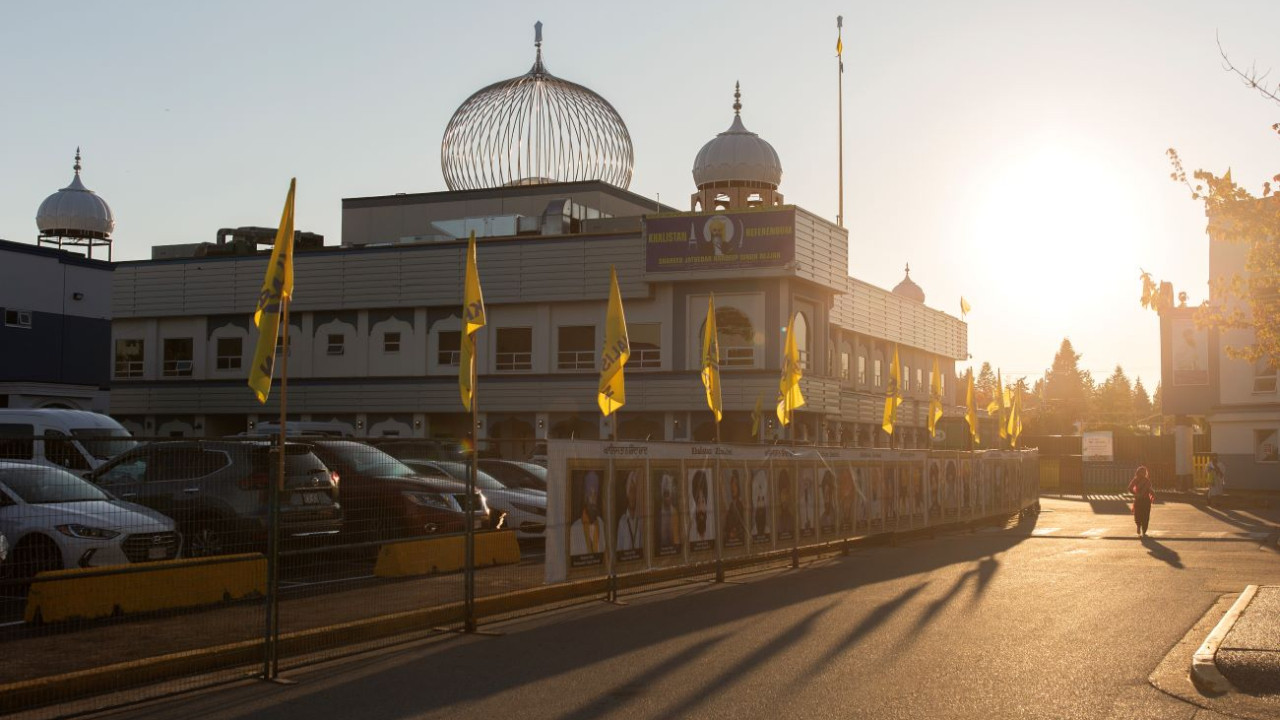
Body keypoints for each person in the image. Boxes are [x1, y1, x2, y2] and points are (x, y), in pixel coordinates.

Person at [569, 471, 603, 555]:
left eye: (595, 494)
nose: (592, 499)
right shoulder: (575, 528)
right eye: (590, 494)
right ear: (585, 498)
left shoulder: (601, 524)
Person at [616, 469, 643, 554]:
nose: (633, 496)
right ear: (627, 494)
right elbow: (619, 549)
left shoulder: (641, 520)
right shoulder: (622, 521)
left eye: (635, 492)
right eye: (631, 491)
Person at [1128, 465, 1155, 537]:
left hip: (1139, 500)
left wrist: (1136, 494)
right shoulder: (1146, 481)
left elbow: (1130, 488)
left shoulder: (1136, 480)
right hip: (1145, 500)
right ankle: (1143, 530)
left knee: (1138, 514)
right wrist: (1152, 494)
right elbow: (1149, 489)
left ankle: (1139, 526)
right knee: (1145, 515)